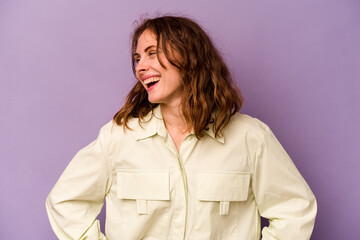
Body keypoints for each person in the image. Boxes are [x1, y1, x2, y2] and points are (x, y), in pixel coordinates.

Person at [46, 15, 317, 240]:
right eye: (137, 58)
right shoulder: (119, 137)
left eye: (152, 53)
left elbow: (295, 211)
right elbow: (64, 202)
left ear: (189, 57)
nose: (140, 67)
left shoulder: (251, 138)